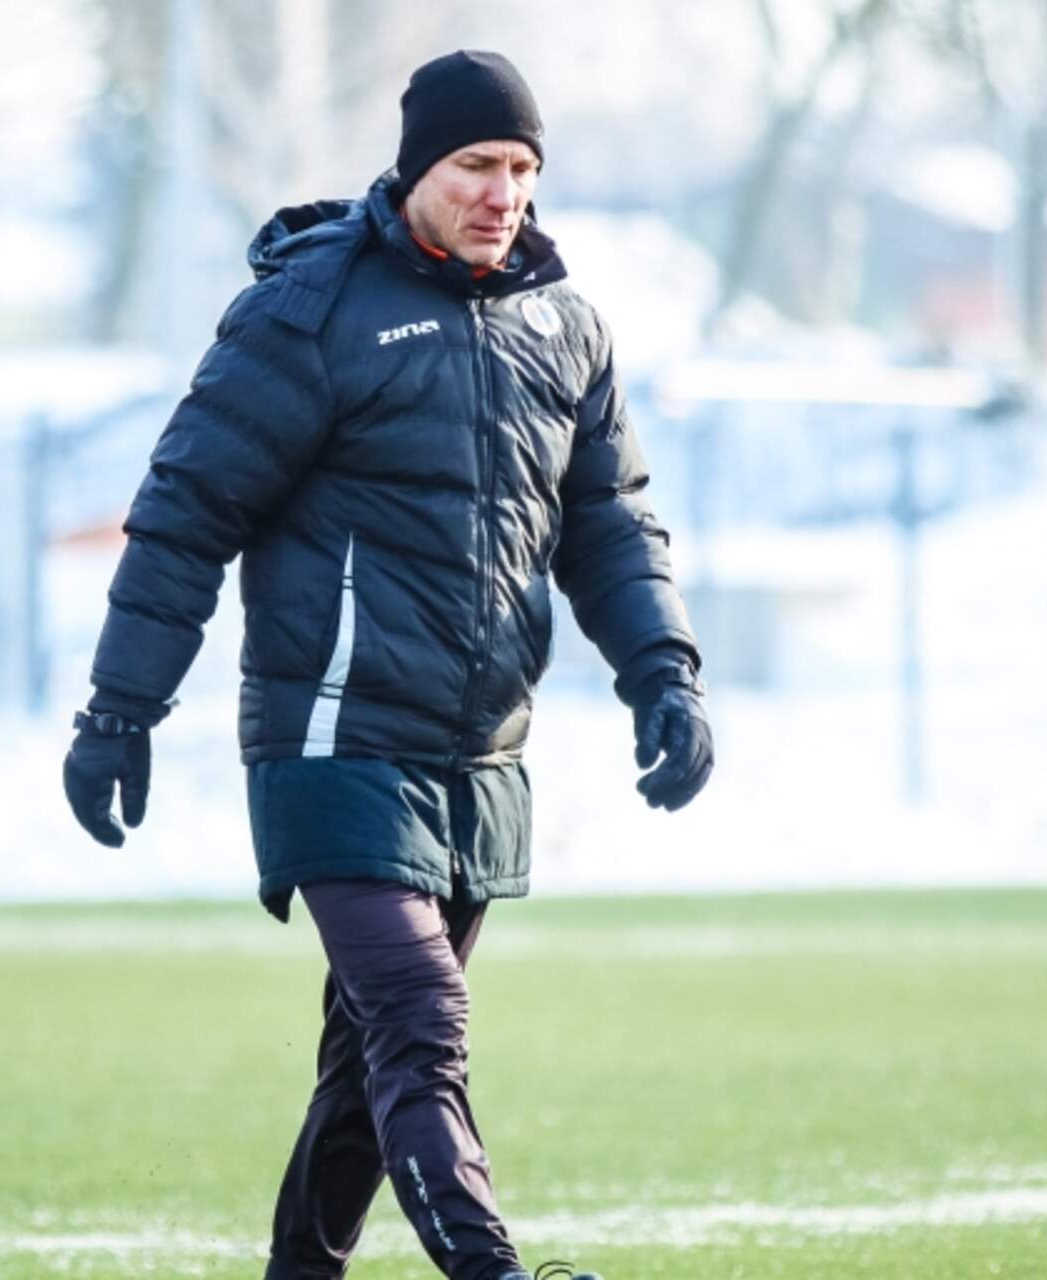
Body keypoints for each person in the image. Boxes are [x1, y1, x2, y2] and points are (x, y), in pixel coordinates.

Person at [62, 49, 713, 1280]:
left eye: (521, 167)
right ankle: (490, 1268)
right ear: (417, 169)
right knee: (420, 1017)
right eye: (475, 164)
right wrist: (119, 708)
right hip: (332, 741)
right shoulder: (312, 310)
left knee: (367, 1072)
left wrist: (664, 672)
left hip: (480, 757)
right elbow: (187, 512)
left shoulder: (566, 326)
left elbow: (611, 524)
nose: (502, 192)